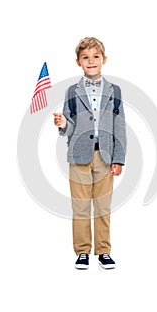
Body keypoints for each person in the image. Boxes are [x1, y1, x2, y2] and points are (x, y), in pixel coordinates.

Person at [53, 37, 126, 269]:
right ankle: (82, 251)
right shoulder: (71, 92)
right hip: (79, 156)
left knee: (103, 206)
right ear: (78, 62)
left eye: (95, 56)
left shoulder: (115, 91)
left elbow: (119, 125)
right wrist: (63, 122)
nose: (91, 61)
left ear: (104, 60)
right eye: (85, 57)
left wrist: (119, 158)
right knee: (81, 206)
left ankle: (103, 250)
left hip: (105, 156)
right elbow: (70, 127)